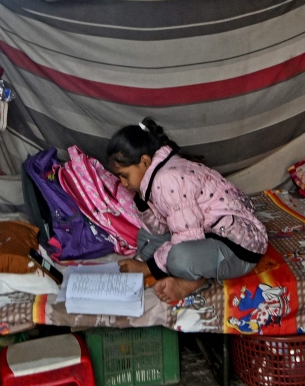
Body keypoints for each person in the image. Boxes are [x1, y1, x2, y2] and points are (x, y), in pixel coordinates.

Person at [106, 118, 267, 304]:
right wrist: (142, 201)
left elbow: (188, 238)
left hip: (239, 248)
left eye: (124, 176)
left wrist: (147, 268)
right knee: (146, 237)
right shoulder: (156, 172)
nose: (124, 184)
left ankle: (192, 281)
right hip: (207, 231)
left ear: (144, 161)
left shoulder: (168, 179)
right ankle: (193, 271)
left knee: (179, 259)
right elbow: (159, 228)